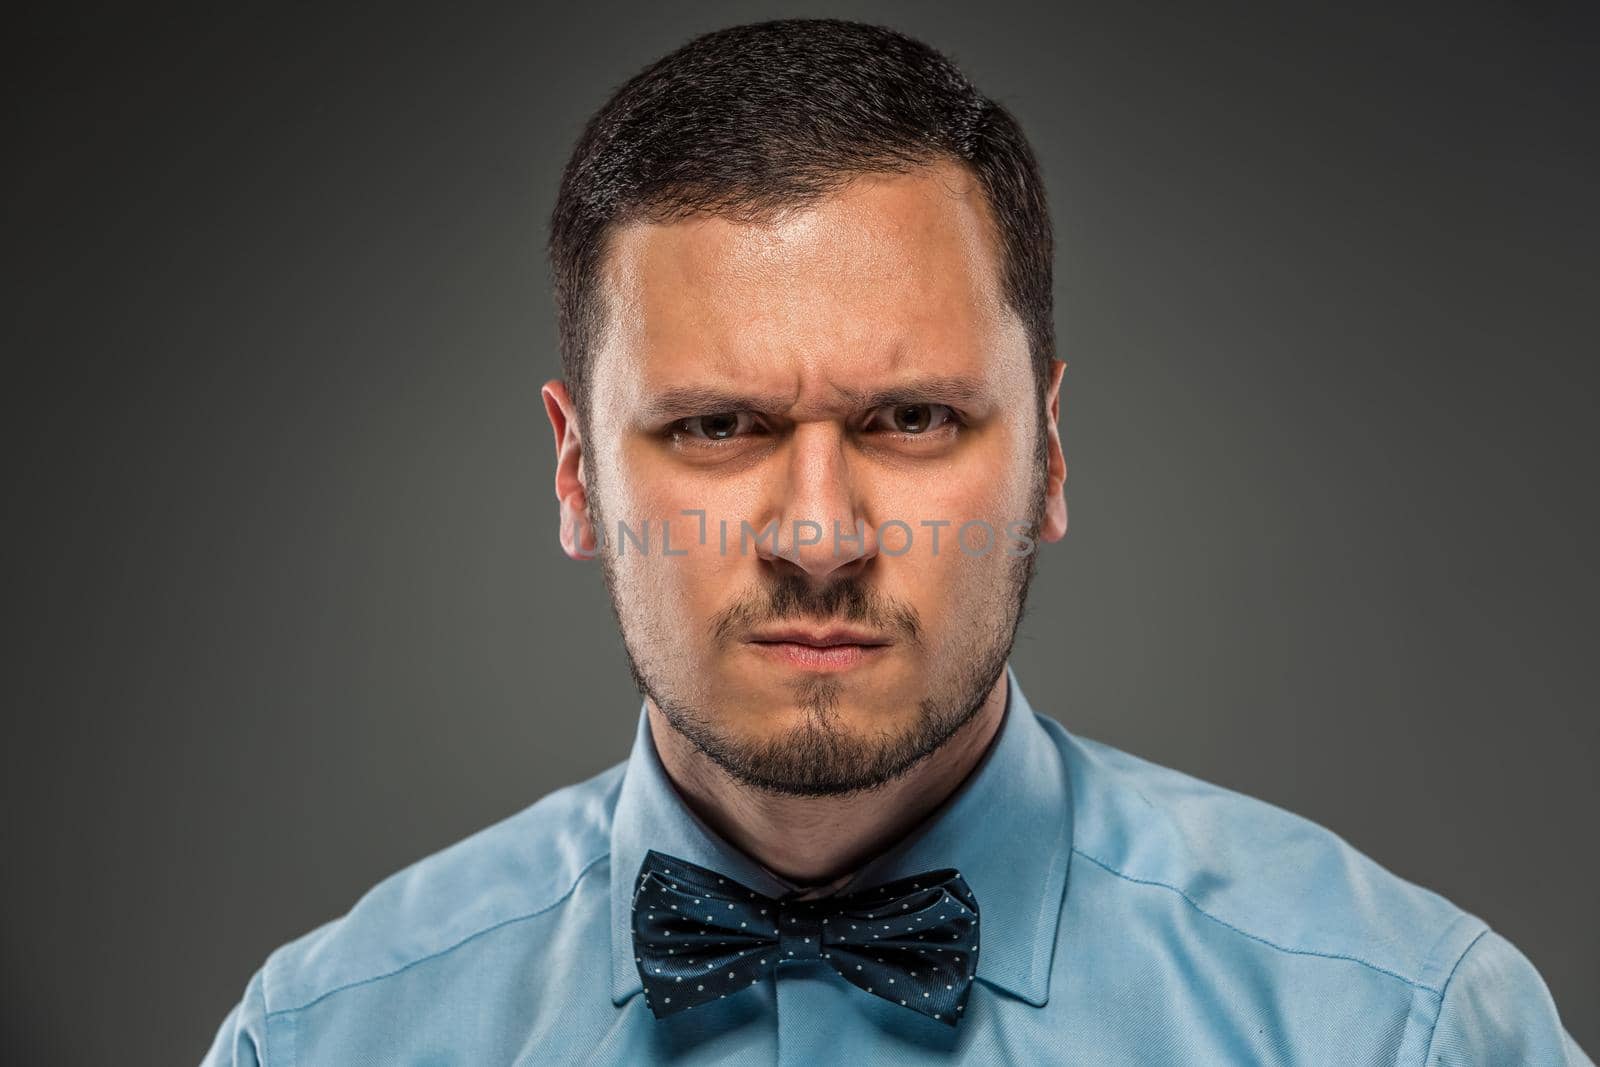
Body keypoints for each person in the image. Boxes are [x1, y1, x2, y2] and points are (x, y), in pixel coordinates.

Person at [200, 18, 1590, 1065]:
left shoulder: (1406, 1028)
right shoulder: (320, 1039)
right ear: (573, 471)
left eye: (912, 418)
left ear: (1047, 454)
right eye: (718, 428)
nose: (820, 535)